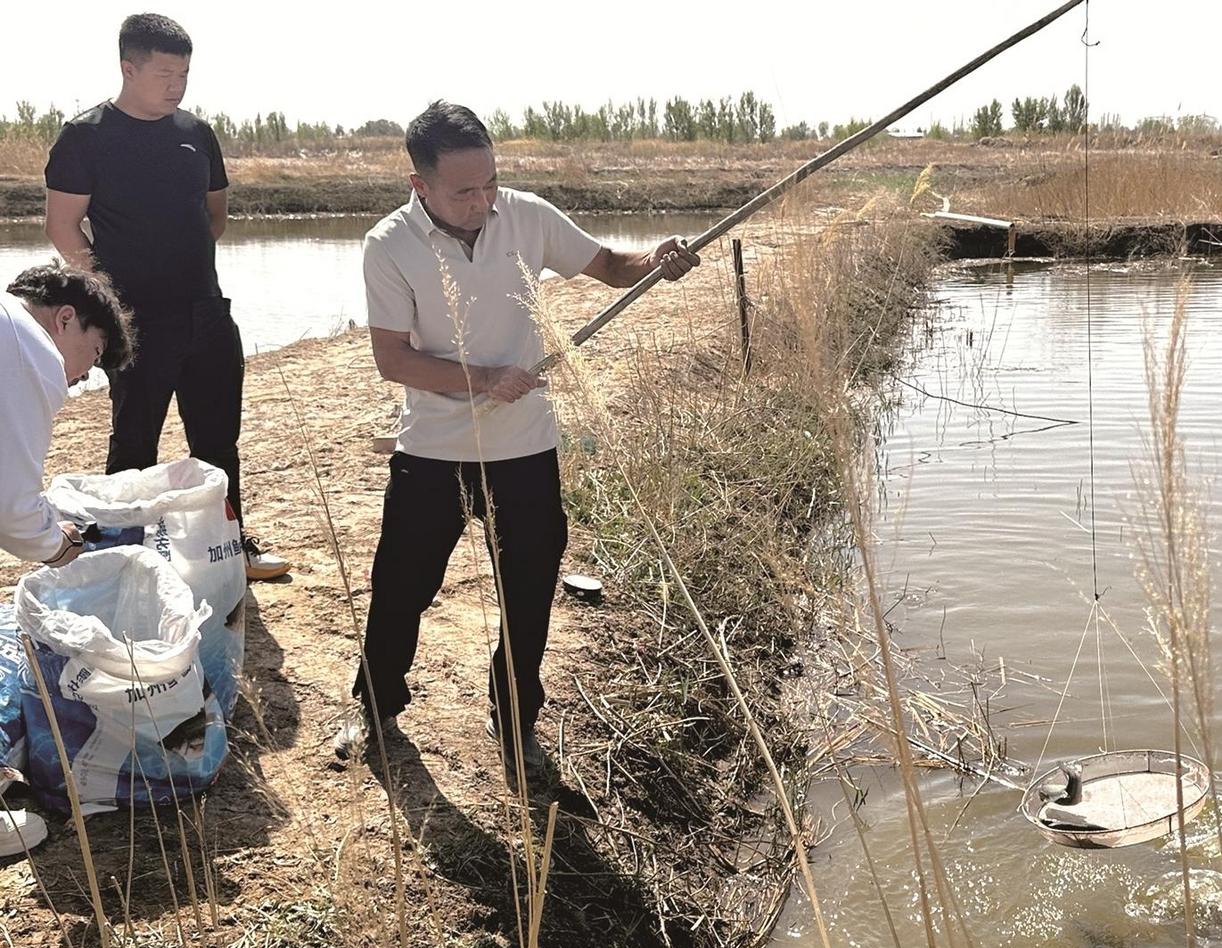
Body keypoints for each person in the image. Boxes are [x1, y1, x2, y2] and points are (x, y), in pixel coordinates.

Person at [340, 101, 700, 810]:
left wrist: (655, 261)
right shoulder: (389, 245)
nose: (482, 202)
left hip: (526, 448)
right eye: (463, 192)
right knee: (401, 587)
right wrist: (483, 379)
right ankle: (376, 707)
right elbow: (394, 360)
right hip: (433, 451)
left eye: (490, 183)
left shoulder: (526, 216)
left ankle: (515, 722)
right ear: (419, 184)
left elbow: (609, 266)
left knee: (529, 592)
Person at [42, 12, 289, 582]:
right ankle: (121, 558)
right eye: (165, 74)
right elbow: (62, 226)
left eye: (184, 74)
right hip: (134, 321)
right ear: (128, 68)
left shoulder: (197, 133)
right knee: (134, 444)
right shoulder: (85, 137)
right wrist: (110, 298)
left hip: (206, 311)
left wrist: (182, 265)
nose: (177, 85)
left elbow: (214, 216)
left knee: (218, 442)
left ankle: (231, 548)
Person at [0, 261, 136, 858]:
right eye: (94, 353)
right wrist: (61, 546)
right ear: (64, 319)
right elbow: (10, 507)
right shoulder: (31, 351)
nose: (82, 377)